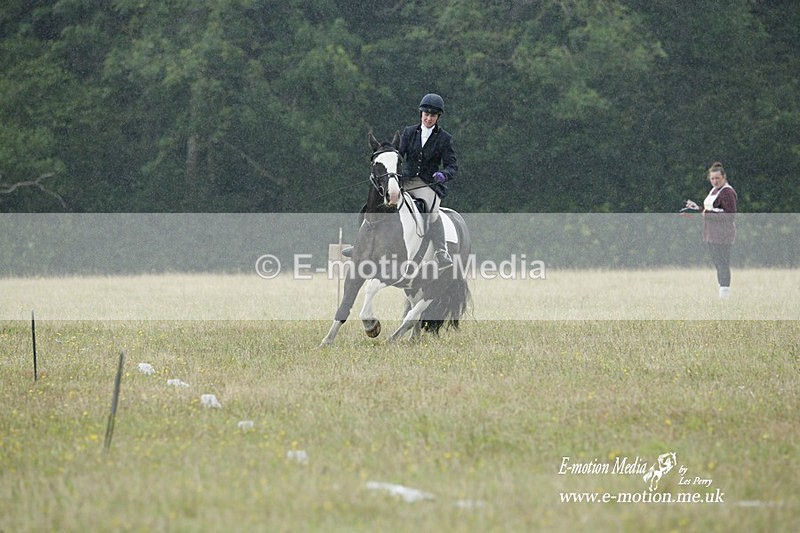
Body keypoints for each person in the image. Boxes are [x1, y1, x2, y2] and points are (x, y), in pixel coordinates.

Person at [398, 93, 458, 269]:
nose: (428, 118)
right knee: (382, 201)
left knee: (431, 213)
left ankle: (441, 251)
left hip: (427, 184)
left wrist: (443, 175)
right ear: (421, 113)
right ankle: (364, 243)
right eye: (426, 114)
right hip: (407, 181)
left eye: (432, 115)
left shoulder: (444, 138)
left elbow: (452, 166)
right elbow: (399, 155)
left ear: (438, 117)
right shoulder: (409, 132)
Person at [685, 161, 738, 299]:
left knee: (723, 264)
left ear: (724, 177)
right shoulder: (714, 190)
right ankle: (722, 293)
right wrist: (697, 208)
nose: (714, 181)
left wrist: (707, 214)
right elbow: (709, 210)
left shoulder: (727, 192)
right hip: (711, 234)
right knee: (718, 264)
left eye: (717, 178)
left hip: (723, 235)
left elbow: (729, 215)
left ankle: (724, 296)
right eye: (712, 178)